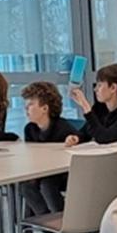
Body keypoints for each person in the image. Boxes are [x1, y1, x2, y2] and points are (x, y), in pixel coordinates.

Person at [17, 82, 77, 223]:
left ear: (44, 108)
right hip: (41, 171)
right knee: (25, 185)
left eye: (30, 105)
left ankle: (61, 223)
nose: (26, 109)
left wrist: (73, 140)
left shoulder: (62, 127)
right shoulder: (29, 129)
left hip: (63, 174)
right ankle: (46, 223)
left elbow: (78, 139)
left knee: (47, 185)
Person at [66, 63, 117, 146]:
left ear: (113, 88)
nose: (95, 89)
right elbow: (86, 131)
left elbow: (105, 138)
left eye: (99, 85)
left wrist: (86, 106)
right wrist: (76, 138)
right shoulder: (100, 107)